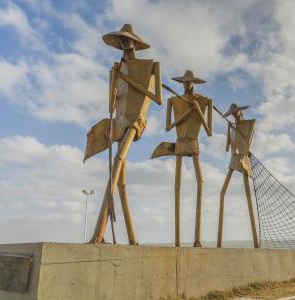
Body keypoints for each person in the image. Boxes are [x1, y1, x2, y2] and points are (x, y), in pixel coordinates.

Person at [84, 24, 162, 244]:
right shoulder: (115, 70)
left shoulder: (150, 67)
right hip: (119, 121)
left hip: (137, 120)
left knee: (119, 160)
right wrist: (115, 85)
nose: (124, 44)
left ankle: (98, 234)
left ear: (135, 43)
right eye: (121, 41)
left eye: (127, 40)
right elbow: (111, 104)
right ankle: (132, 239)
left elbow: (157, 99)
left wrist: (127, 80)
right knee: (121, 181)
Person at [151, 70, 212, 247]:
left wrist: (198, 109)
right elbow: (169, 127)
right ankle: (177, 241)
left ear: (195, 83)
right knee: (177, 186)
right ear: (181, 83)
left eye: (190, 82)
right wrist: (187, 112)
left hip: (193, 142)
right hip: (179, 141)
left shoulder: (205, 101)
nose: (187, 85)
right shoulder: (173, 101)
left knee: (200, 181)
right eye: (184, 82)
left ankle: (197, 240)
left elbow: (208, 131)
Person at [217, 103, 259, 248]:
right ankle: (219, 243)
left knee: (248, 195)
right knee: (222, 192)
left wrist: (237, 130)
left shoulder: (249, 124)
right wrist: (230, 130)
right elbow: (228, 146)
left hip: (242, 158)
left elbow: (248, 143)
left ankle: (255, 242)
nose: (235, 115)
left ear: (240, 113)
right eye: (233, 114)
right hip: (233, 159)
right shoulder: (231, 127)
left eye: (236, 113)